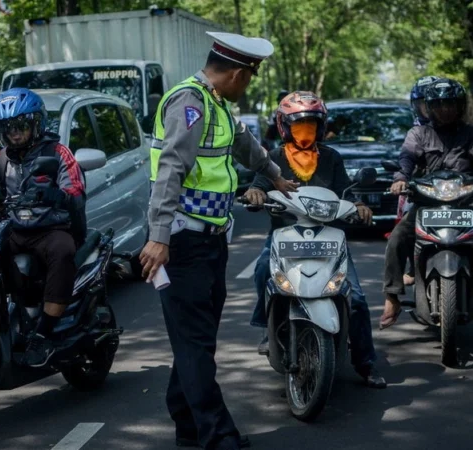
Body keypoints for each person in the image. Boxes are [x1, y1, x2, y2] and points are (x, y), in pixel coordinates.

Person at [140, 32, 299, 450]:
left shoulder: (218, 105)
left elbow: (245, 145)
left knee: (199, 340)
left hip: (210, 241)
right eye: (249, 79)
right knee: (194, 342)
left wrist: (275, 174)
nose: (248, 87)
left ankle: (187, 425)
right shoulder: (188, 103)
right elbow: (171, 168)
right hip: (181, 241)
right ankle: (217, 435)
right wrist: (158, 238)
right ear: (236, 73)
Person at [245, 91, 387, 389]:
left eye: (311, 123)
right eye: (298, 124)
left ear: (321, 127)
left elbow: (346, 192)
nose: (305, 130)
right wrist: (254, 194)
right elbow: (258, 184)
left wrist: (359, 206)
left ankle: (366, 363)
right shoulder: (273, 158)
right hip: (284, 235)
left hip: (328, 237)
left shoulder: (332, 157)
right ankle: (266, 326)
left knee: (357, 299)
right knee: (261, 272)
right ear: (285, 127)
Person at [0, 88, 86, 367]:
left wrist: (58, 195)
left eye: (19, 126)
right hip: (15, 230)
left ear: (36, 123)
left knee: (63, 251)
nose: (14, 133)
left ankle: (44, 333)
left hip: (50, 228)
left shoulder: (58, 152)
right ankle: (12, 309)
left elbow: (76, 191)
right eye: (7, 128)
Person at [381, 78, 473, 329]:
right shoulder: (419, 133)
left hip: (466, 206)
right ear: (429, 108)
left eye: (450, 104)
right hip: (427, 206)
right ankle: (391, 297)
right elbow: (406, 158)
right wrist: (401, 179)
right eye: (439, 105)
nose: (445, 109)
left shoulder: (469, 133)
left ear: (460, 106)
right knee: (397, 238)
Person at [399, 75, 439, 286]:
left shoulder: (460, 128)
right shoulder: (416, 130)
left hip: (457, 189)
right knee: (404, 223)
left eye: (431, 102)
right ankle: (411, 269)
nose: (427, 108)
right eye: (422, 103)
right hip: (421, 189)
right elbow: (406, 157)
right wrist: (402, 177)